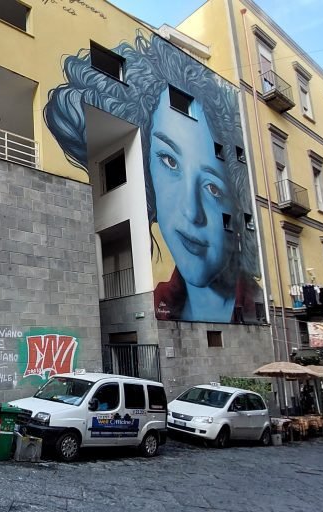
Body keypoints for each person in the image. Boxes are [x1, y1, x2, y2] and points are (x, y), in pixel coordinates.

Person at [44, 32, 260, 323]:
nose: (190, 211)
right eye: (169, 161)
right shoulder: (158, 302)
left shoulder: (252, 308)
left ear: (237, 203)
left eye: (212, 187)